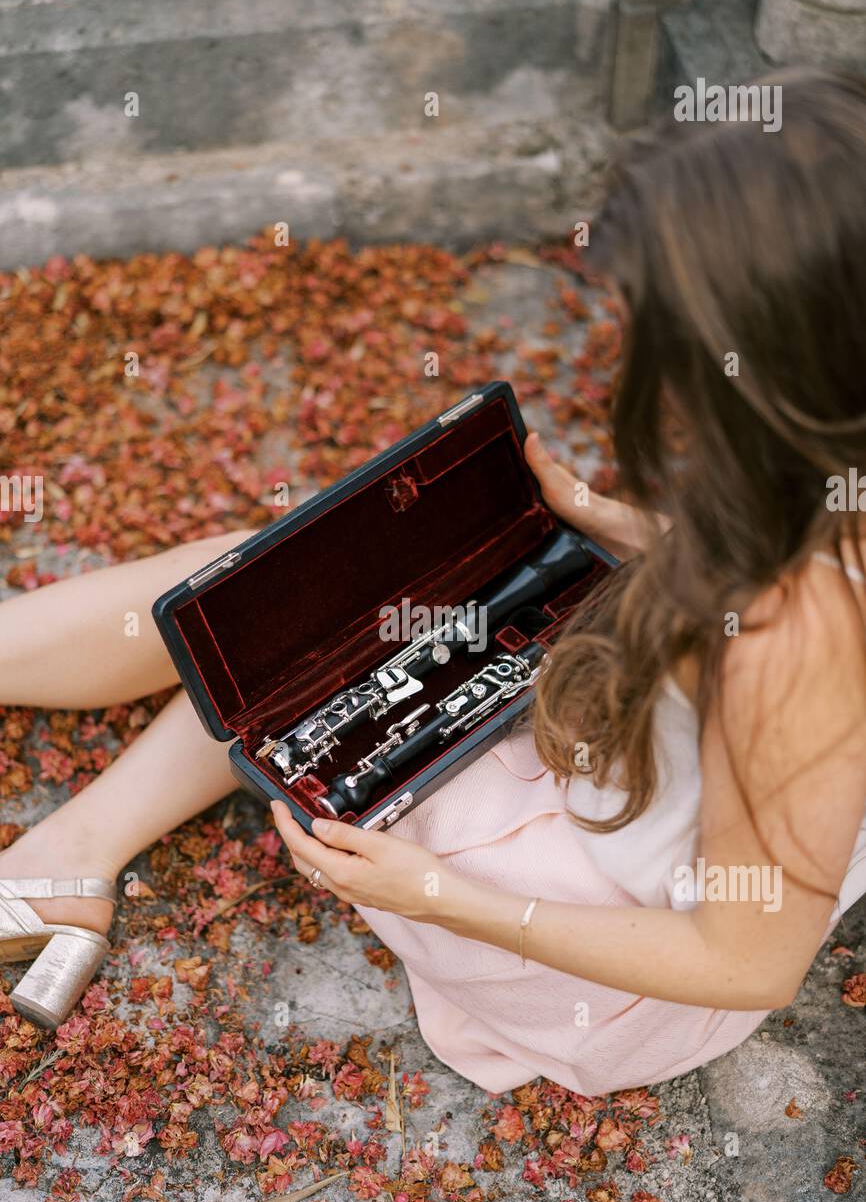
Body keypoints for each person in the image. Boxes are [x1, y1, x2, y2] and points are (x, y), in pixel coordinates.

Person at [2, 70, 864, 1097]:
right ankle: (70, 856)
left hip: (605, 946)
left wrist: (441, 895)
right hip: (656, 803)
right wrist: (611, 519)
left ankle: (69, 853)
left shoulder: (794, 637)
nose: (630, 349)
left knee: (295, 619)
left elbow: (747, 960)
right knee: (292, 599)